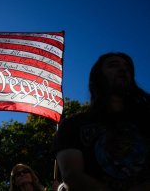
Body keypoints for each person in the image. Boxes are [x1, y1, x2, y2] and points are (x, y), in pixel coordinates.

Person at [53, 52, 150, 190]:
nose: (123, 69)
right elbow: (72, 175)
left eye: (127, 68)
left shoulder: (145, 120)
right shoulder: (73, 125)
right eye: (113, 65)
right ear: (98, 77)